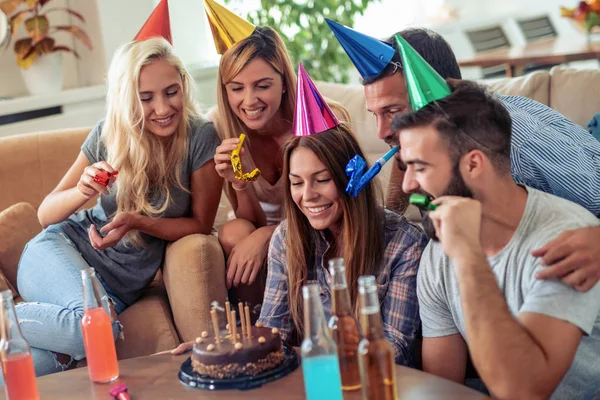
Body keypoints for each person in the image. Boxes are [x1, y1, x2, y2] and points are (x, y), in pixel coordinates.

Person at [328, 22, 600, 292]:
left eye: (393, 111)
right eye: (375, 114)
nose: (382, 132)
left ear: (436, 95)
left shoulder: (512, 141)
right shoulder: (424, 143)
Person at [10, 37, 222, 379]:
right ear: (127, 98)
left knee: (34, 368)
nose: (163, 108)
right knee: (100, 329)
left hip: (111, 289)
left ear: (183, 85)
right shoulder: (109, 135)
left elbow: (200, 222)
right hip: (57, 252)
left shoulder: (200, 137)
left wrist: (139, 222)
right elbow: (45, 213)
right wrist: (83, 190)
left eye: (171, 91)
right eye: (146, 98)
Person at [393, 80, 600, 399]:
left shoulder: (566, 241)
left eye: (419, 168)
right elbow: (444, 388)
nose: (407, 186)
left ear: (474, 164)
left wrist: (467, 255)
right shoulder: (437, 254)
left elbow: (523, 390)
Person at [257, 122, 427, 366]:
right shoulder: (286, 238)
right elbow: (273, 334)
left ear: (355, 177)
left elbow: (393, 350)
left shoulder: (404, 244)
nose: (307, 196)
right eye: (296, 183)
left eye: (322, 179)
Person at [209, 24, 350, 309]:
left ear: (285, 82)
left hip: (320, 225)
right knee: (234, 232)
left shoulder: (322, 117)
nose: (249, 101)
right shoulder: (221, 127)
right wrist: (241, 182)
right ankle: (257, 330)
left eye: (263, 86)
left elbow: (342, 209)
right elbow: (250, 220)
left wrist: (268, 234)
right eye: (237, 88)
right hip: (266, 240)